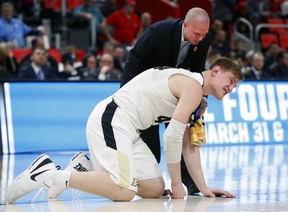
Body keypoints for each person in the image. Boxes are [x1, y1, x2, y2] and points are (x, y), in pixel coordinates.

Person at [6, 57, 243, 204]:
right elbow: (171, 137)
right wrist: (178, 183)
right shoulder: (192, 86)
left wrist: (203, 188)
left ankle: (83, 167)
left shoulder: (198, 98)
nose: (231, 87)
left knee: (153, 188)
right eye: (230, 80)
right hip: (112, 119)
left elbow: (188, 144)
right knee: (125, 191)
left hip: (130, 130)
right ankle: (49, 174)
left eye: (235, 85)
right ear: (215, 70)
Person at [121, 7, 212, 195]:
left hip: (177, 93)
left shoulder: (204, 40)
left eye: (204, 34)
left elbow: (198, 71)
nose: (200, 38)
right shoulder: (158, 32)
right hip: (147, 93)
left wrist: (201, 97)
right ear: (185, 25)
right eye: (197, 34)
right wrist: (125, 96)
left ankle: (191, 182)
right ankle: (150, 182)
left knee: (181, 136)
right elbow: (134, 61)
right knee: (150, 140)